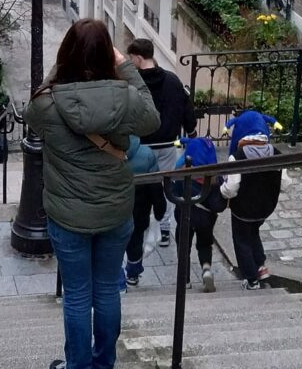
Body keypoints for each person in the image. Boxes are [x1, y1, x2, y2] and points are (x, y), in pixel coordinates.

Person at [25, 19, 159, 369]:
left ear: (66, 54)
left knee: (77, 295)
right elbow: (152, 117)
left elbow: (31, 111)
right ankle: (104, 365)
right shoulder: (126, 97)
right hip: (115, 212)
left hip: (68, 218)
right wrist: (127, 67)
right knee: (107, 290)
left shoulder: (47, 104)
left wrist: (62, 65)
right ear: (108, 56)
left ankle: (78, 368)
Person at [127, 38, 197, 248]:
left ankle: (137, 225)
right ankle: (164, 229)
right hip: (167, 144)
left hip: (141, 146)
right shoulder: (173, 81)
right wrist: (191, 132)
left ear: (138, 58)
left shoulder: (133, 85)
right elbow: (187, 109)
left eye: (131, 58)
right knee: (166, 186)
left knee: (138, 187)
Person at [220, 111, 285, 290]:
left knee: (241, 240)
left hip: (243, 209)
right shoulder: (276, 153)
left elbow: (231, 189)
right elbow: (285, 182)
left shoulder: (238, 157)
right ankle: (261, 266)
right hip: (265, 207)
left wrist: (221, 190)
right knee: (254, 231)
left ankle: (251, 278)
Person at [172, 135, 226, 293]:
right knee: (204, 244)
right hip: (206, 218)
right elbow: (218, 201)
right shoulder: (214, 176)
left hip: (184, 214)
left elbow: (173, 194)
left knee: (183, 246)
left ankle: (184, 279)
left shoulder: (182, 174)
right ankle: (206, 269)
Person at [120, 136, 165, 289]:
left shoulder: (104, 151)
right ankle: (133, 273)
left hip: (114, 208)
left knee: (112, 243)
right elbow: (156, 187)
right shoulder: (146, 154)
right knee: (136, 241)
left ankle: (115, 275)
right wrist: (160, 210)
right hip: (139, 209)